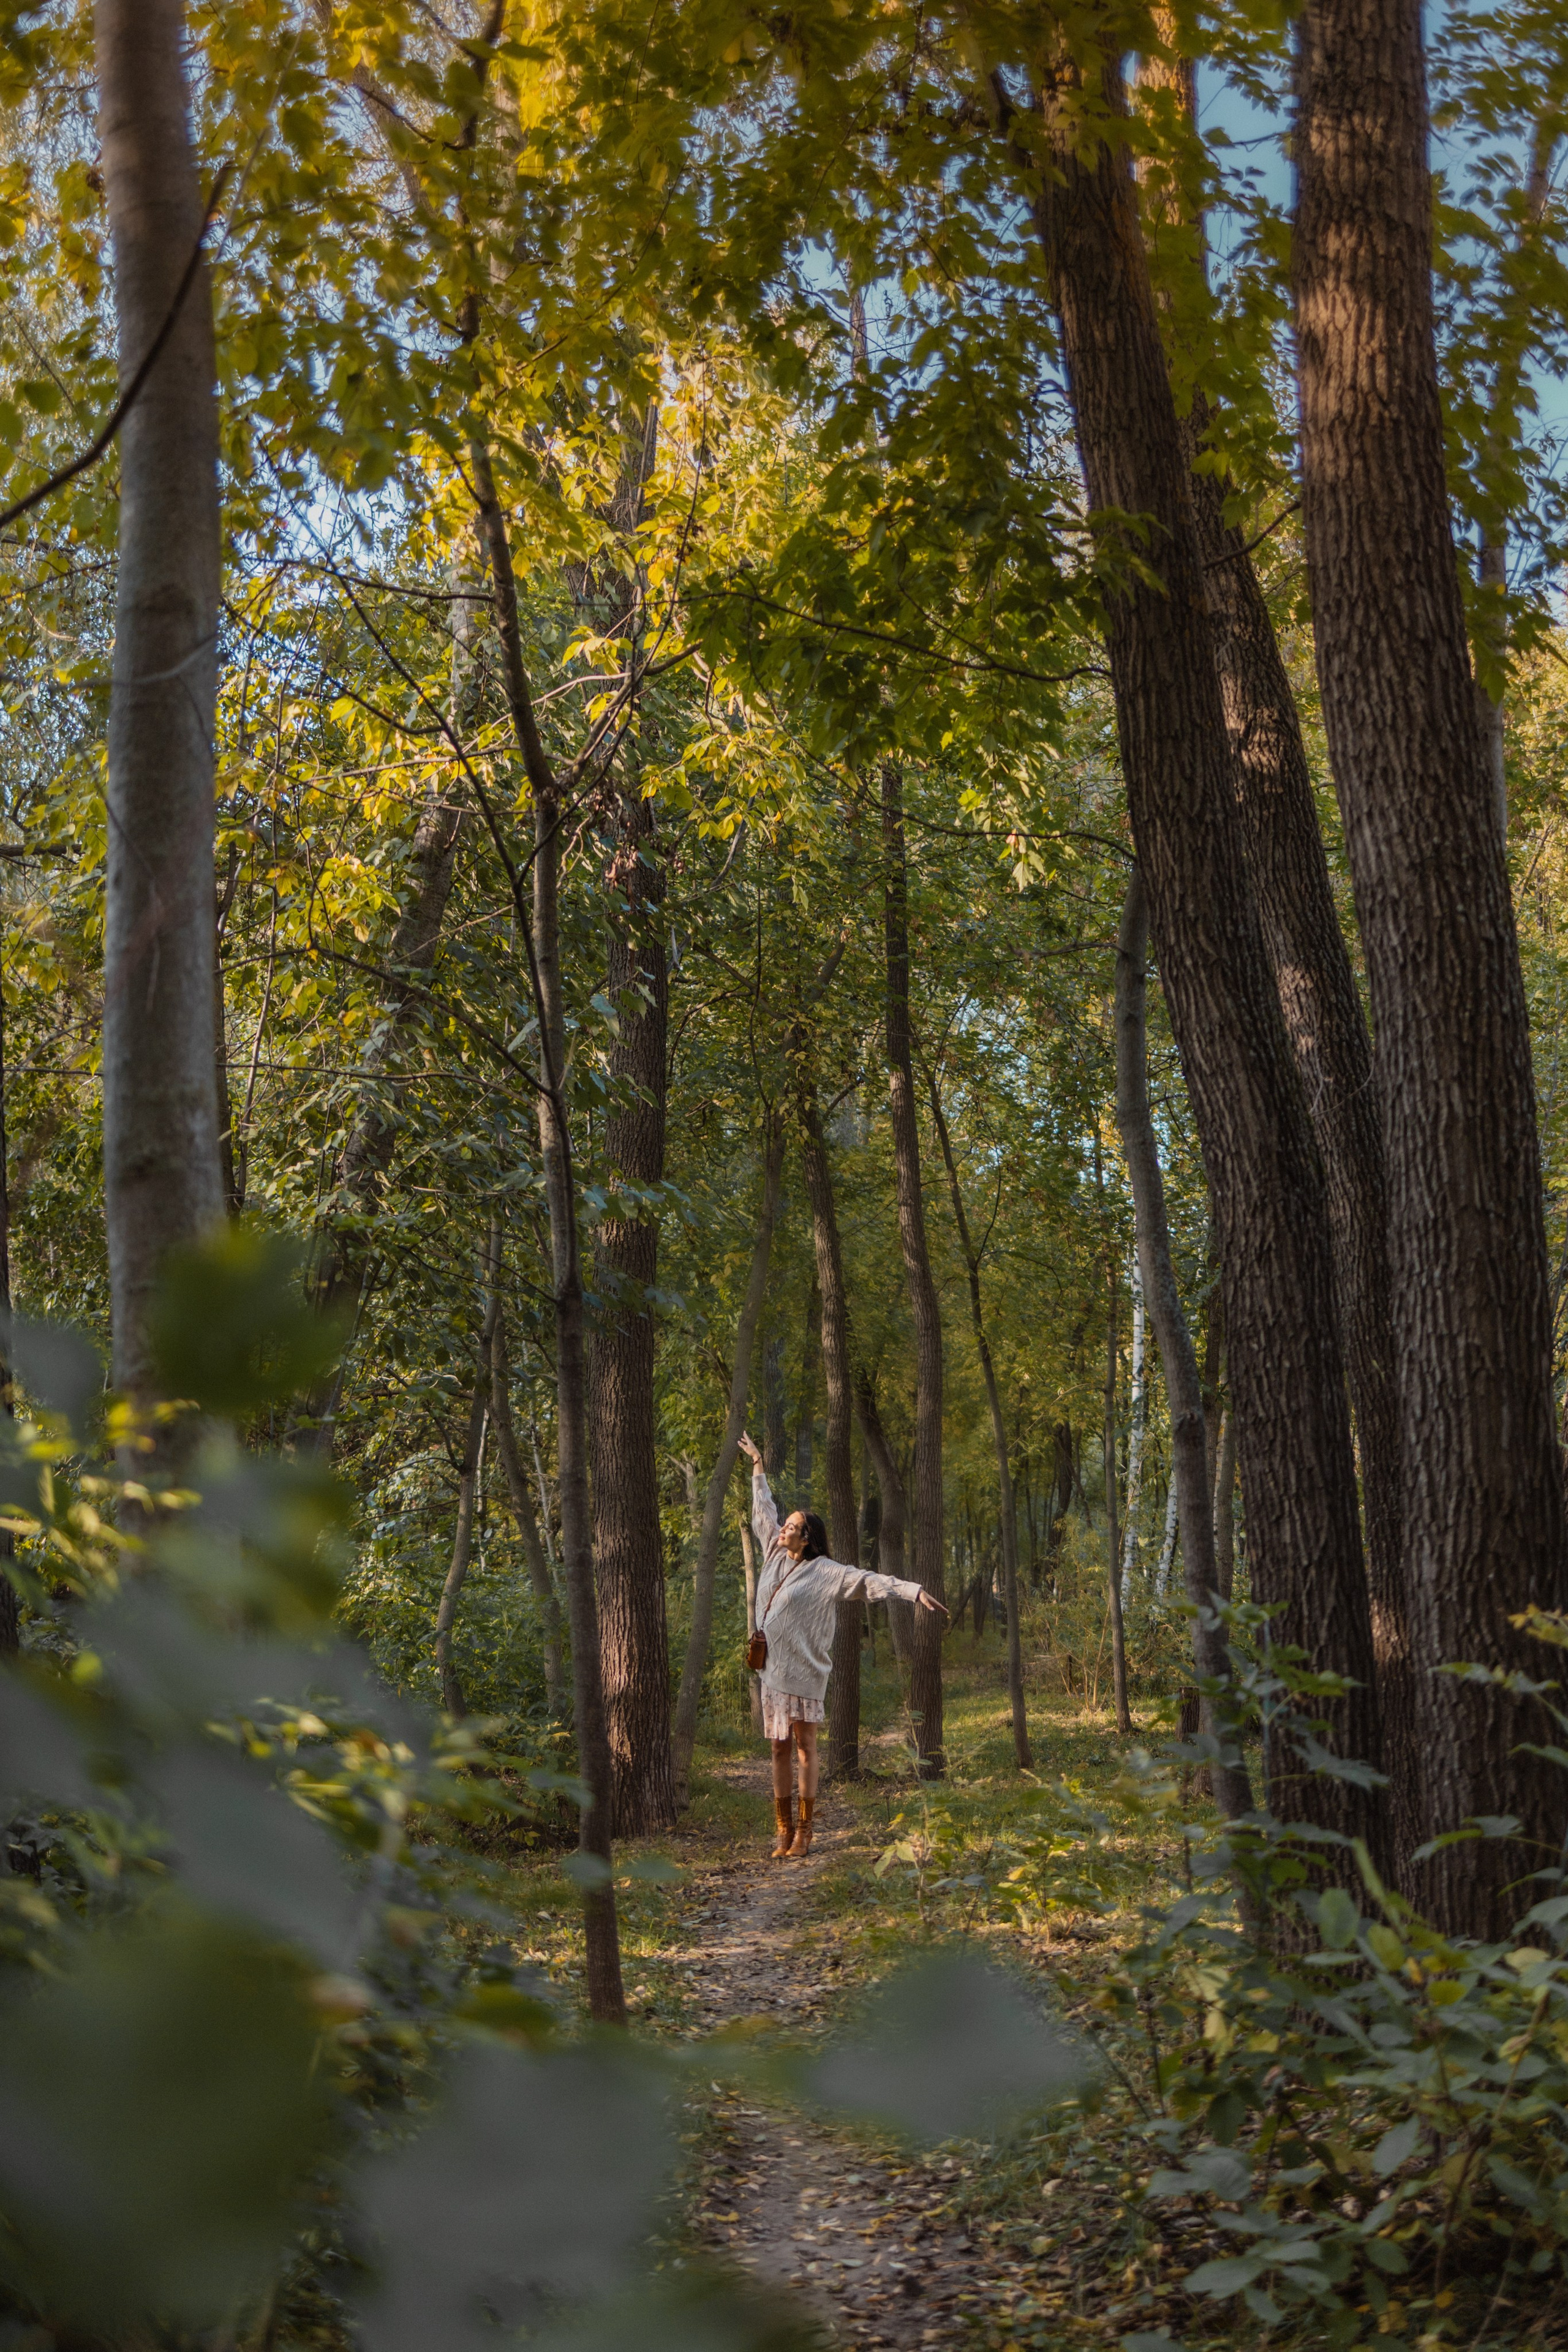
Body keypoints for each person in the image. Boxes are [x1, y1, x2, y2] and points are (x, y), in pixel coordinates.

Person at [738, 1431, 947, 1859]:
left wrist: (913, 1591)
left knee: (805, 1748)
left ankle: (805, 1832)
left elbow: (869, 1581)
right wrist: (758, 1463)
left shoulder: (828, 1572)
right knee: (778, 1748)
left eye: (791, 1527)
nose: (782, 1530)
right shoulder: (773, 1553)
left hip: (805, 1673)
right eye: (785, 1526)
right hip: (772, 1671)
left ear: (808, 1538)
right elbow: (763, 1512)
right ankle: (783, 1831)